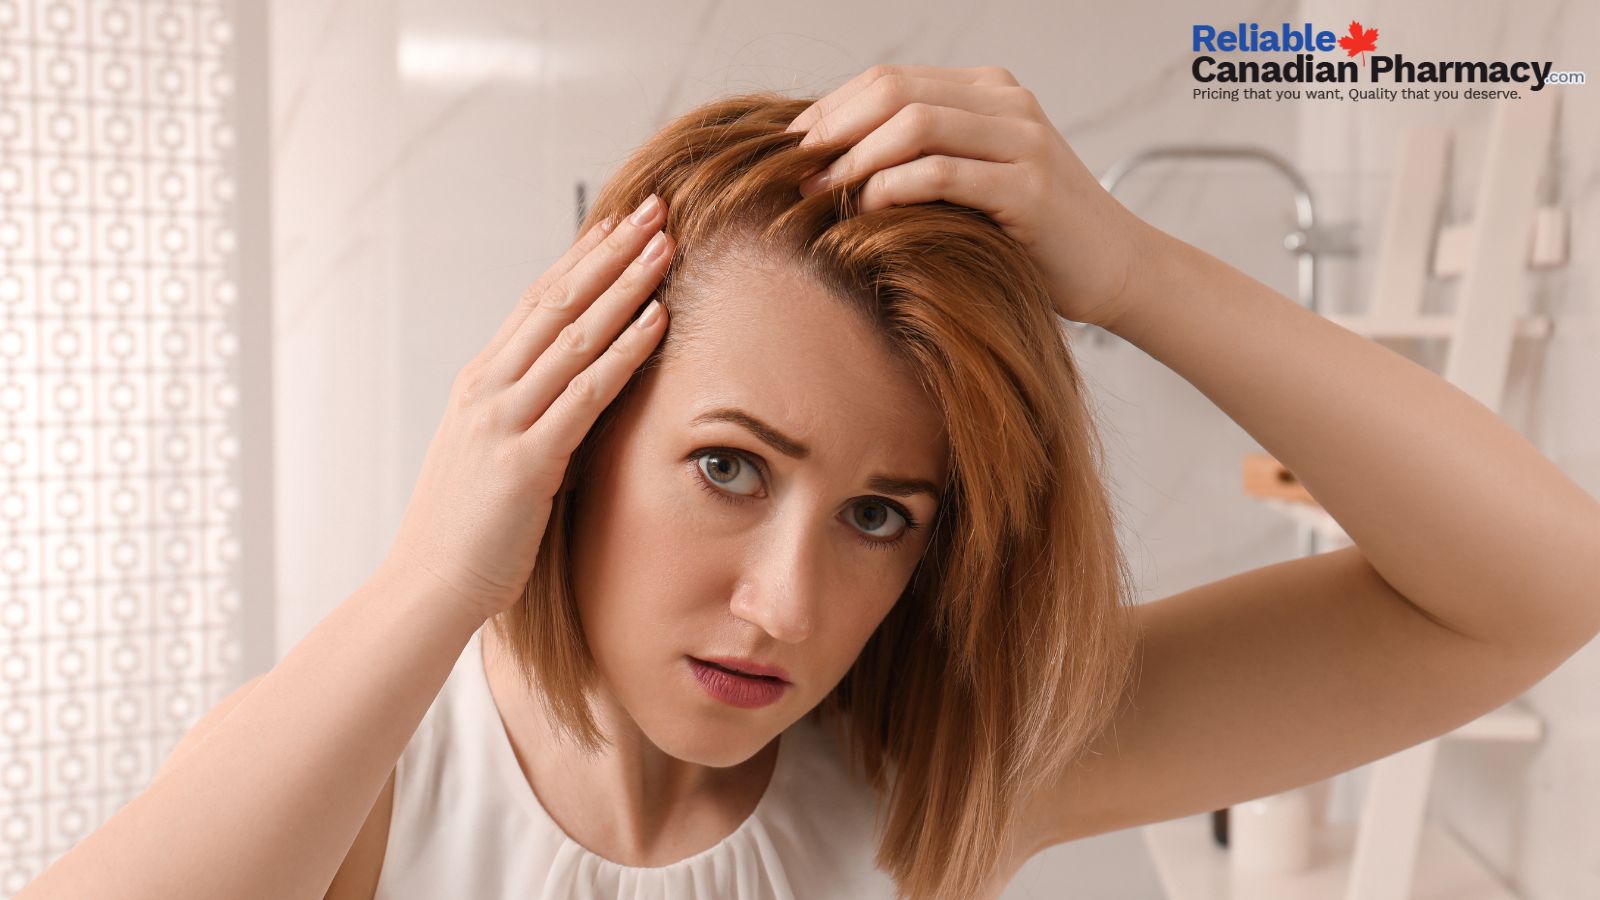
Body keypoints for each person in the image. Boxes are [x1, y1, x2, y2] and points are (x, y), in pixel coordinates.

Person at [17, 65, 1599, 900]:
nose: (787, 603)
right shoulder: (374, 782)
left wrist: (1131, 269)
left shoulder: (938, 792)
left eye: (879, 514)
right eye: (727, 467)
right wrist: (439, 576)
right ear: (577, 429)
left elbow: (1537, 587)